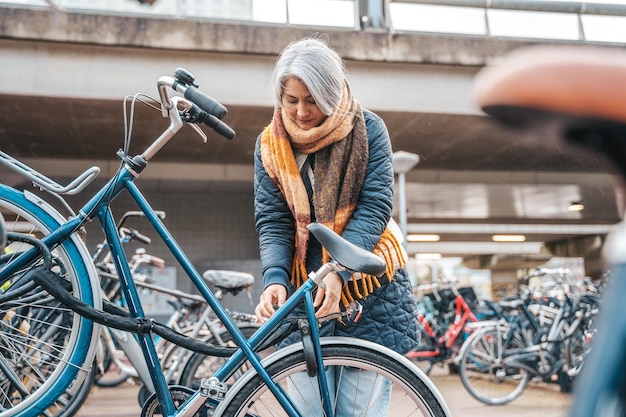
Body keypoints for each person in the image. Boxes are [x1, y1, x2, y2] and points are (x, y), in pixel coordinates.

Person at [253, 35, 420, 416]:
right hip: (304, 290)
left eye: (311, 100)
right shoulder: (270, 146)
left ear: (331, 92)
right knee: (307, 409)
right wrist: (275, 277)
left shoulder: (368, 128)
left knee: (354, 410)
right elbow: (274, 220)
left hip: (367, 284)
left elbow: (375, 205)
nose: (300, 111)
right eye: (290, 100)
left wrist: (340, 270)